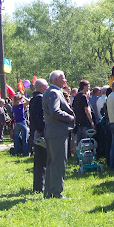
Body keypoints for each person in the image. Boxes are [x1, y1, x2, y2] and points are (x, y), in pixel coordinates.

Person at [43, 70, 75, 199]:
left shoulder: (49, 91)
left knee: (52, 163)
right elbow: (54, 111)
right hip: (57, 132)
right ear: (55, 80)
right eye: (63, 78)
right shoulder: (54, 92)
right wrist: (70, 118)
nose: (65, 80)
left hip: (52, 132)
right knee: (58, 163)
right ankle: (56, 192)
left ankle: (49, 192)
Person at [30, 78, 48, 192]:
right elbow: (41, 117)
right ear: (41, 87)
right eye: (46, 86)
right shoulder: (40, 98)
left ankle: (38, 185)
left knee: (38, 160)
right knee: (42, 159)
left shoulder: (33, 99)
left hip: (35, 131)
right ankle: (40, 185)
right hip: (40, 132)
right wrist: (44, 128)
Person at [72, 79, 95, 145]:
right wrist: (91, 122)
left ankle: (79, 150)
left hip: (78, 121)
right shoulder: (83, 96)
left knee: (79, 140)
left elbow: (72, 108)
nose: (89, 88)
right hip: (85, 121)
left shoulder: (76, 96)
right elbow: (87, 110)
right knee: (86, 140)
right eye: (88, 86)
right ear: (84, 87)